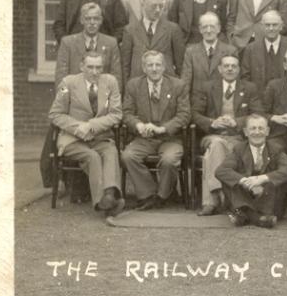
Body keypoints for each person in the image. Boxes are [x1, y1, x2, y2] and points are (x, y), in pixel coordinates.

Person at [47, 53, 124, 217]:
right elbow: (55, 114)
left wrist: (91, 125)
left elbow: (116, 114)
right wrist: (78, 127)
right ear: (82, 67)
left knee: (110, 151)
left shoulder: (110, 82)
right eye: (90, 67)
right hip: (73, 139)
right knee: (92, 157)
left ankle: (110, 194)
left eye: (99, 67)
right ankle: (101, 200)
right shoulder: (68, 83)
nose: (95, 72)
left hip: (100, 136)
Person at [191, 54, 263, 216]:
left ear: (238, 70)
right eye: (226, 66)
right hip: (212, 136)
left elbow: (258, 113)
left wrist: (237, 122)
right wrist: (212, 122)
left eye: (233, 66)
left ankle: (213, 200)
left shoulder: (249, 88)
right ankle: (221, 198)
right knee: (217, 145)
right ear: (220, 69)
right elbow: (194, 114)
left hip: (238, 137)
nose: (230, 69)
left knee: (214, 154)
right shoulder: (207, 87)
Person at [121, 50, 190, 210]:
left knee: (169, 160)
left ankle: (162, 195)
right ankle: (148, 194)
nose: (154, 69)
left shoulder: (177, 85)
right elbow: (127, 112)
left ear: (164, 67)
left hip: (170, 138)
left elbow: (184, 115)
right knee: (127, 156)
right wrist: (138, 125)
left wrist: (162, 129)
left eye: (158, 64)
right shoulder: (134, 85)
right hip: (144, 138)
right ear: (143, 68)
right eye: (150, 65)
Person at [215, 114, 287, 228]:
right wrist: (245, 182)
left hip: (268, 199)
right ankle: (258, 219)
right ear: (245, 132)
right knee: (231, 180)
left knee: (275, 181)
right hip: (246, 194)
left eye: (261, 128)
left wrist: (261, 179)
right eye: (253, 128)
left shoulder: (276, 149)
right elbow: (221, 171)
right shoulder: (239, 149)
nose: (257, 132)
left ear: (267, 131)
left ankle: (244, 215)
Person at [54, 2, 122, 88]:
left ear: (101, 20)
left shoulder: (111, 43)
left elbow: (116, 78)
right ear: (82, 20)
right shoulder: (68, 43)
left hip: (103, 97)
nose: (92, 22)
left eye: (96, 19)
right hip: (75, 97)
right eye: (88, 19)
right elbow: (61, 77)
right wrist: (65, 99)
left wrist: (113, 99)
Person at [120, 0, 185, 81]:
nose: (158, 10)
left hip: (166, 84)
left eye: (161, 6)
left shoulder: (173, 29)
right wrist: (127, 87)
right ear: (143, 6)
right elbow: (125, 65)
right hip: (138, 85)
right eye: (154, 6)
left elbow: (180, 64)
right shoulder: (130, 30)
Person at [179, 12, 238, 96]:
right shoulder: (191, 52)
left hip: (220, 103)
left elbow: (234, 83)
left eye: (212, 27)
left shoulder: (230, 51)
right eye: (205, 27)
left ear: (219, 29)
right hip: (197, 103)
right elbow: (185, 82)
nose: (208, 30)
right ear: (200, 29)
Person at [240, 10, 287, 92]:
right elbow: (245, 78)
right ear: (262, 27)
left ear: (281, 26)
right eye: (267, 25)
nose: (271, 28)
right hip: (259, 99)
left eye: (275, 25)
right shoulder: (251, 49)